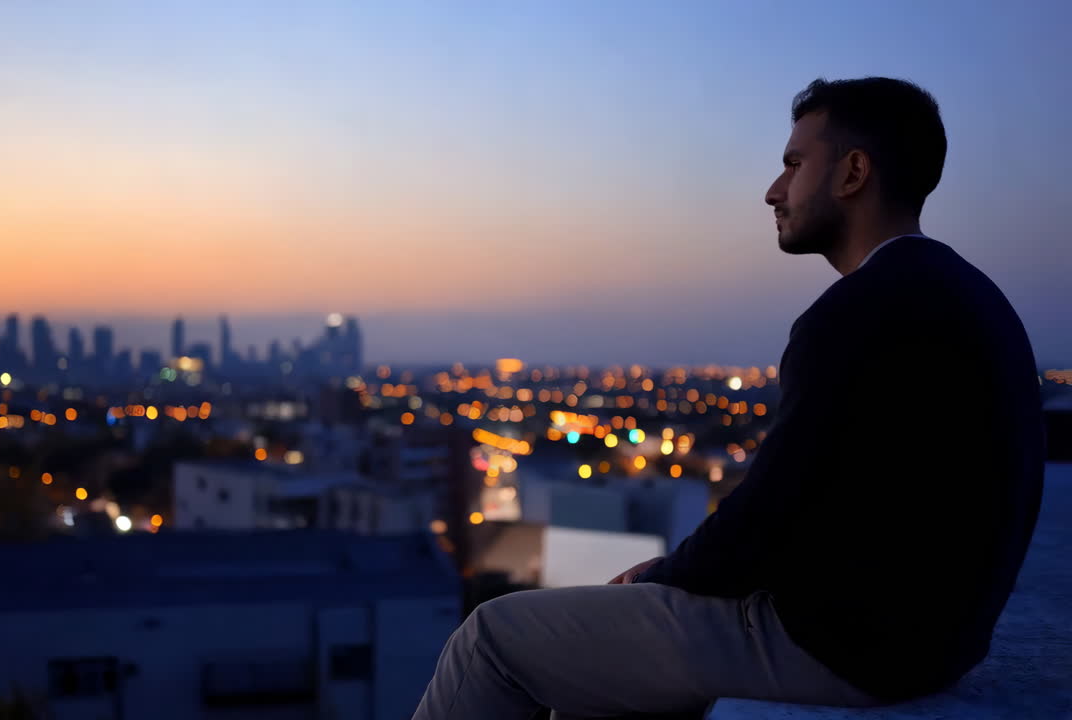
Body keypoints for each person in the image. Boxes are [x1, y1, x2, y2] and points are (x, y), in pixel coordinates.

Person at [411, 77, 1046, 720]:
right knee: (592, 680)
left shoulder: (856, 312)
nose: (774, 191)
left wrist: (663, 576)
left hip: (845, 648)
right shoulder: (974, 299)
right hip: (932, 641)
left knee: (487, 640)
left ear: (854, 172)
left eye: (794, 164)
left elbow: (770, 509)